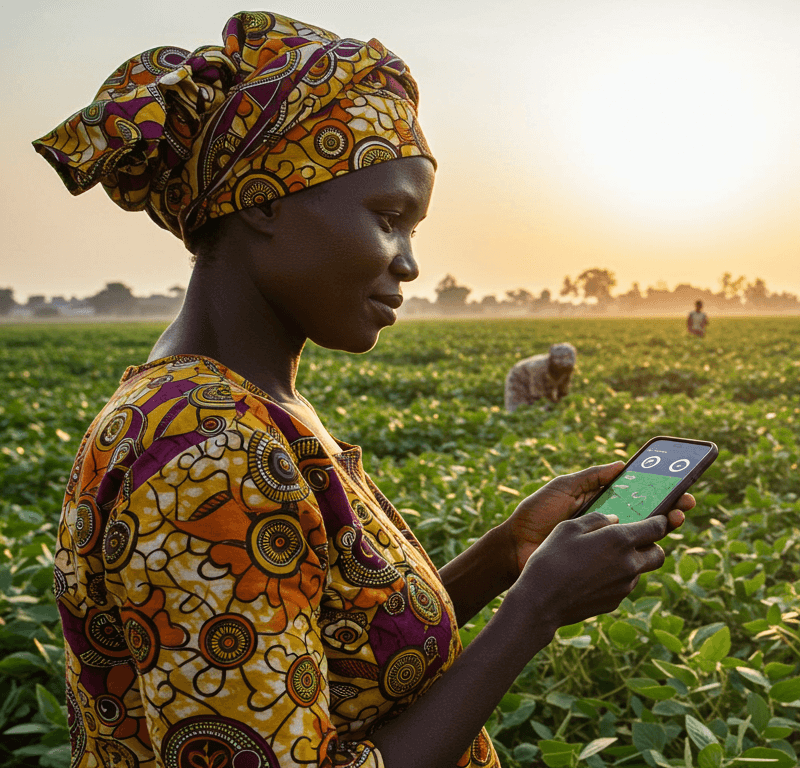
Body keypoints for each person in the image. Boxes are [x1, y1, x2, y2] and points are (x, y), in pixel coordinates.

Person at [36, 13, 689, 768]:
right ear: (264, 201)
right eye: (390, 219)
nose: (409, 263)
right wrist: (535, 611)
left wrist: (508, 553)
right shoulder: (206, 453)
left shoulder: (242, 407)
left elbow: (337, 657)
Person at [504, 342, 576, 413]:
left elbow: (563, 389)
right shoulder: (538, 367)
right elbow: (536, 394)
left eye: (568, 359)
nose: (565, 363)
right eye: (561, 359)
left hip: (539, 380)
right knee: (517, 409)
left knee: (546, 407)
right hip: (518, 378)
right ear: (552, 358)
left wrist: (560, 400)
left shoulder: (568, 367)